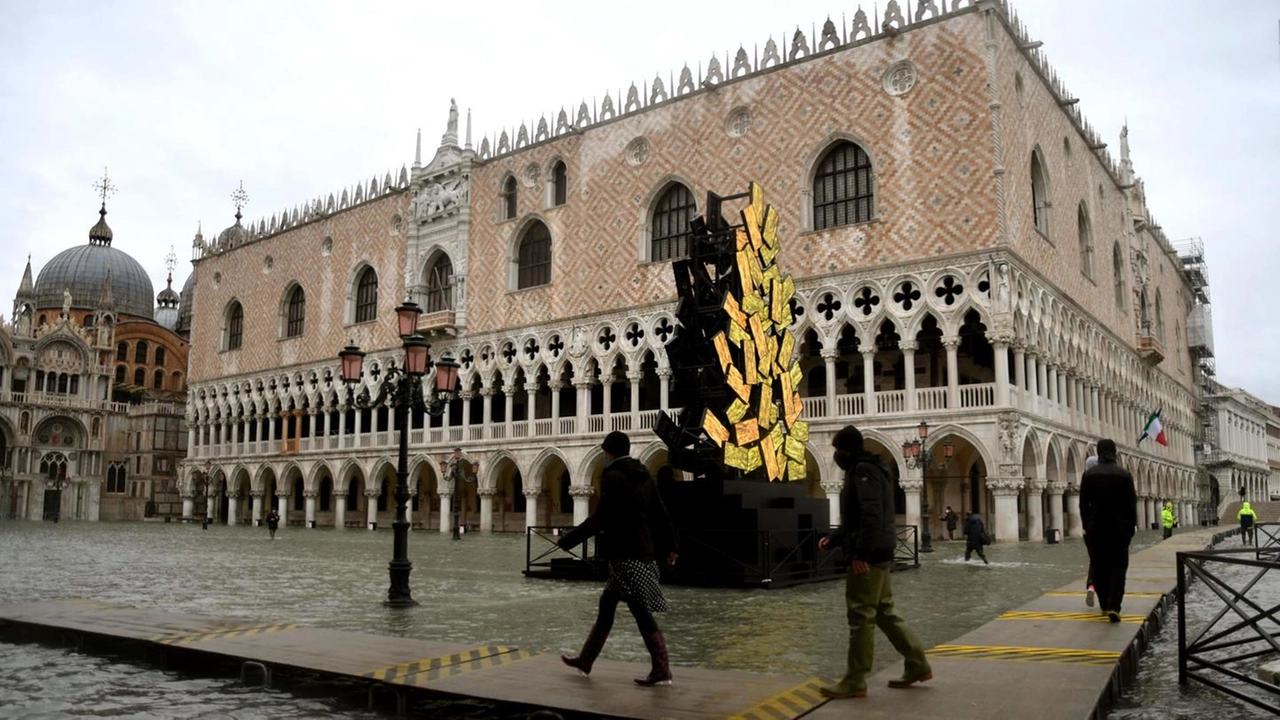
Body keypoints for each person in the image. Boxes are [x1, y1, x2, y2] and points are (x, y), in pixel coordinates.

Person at [817, 425, 931, 699]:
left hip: (870, 554)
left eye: (837, 450)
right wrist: (835, 540)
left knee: (860, 615)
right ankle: (917, 664)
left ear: (846, 450)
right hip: (880, 550)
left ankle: (856, 679)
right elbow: (859, 516)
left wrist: (860, 555)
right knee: (884, 612)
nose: (836, 456)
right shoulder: (874, 468)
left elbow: (870, 515)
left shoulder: (862, 471)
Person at [558, 431, 679, 686]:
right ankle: (586, 660)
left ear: (608, 452)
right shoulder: (645, 475)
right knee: (607, 605)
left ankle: (662, 668)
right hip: (642, 550)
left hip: (624, 553)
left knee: (640, 610)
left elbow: (601, 518)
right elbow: (662, 513)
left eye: (604, 451)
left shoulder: (613, 476)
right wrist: (672, 546)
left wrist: (570, 539)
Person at [1079, 438, 1137, 624]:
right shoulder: (1124, 474)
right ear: (1115, 453)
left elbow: (1082, 504)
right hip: (1119, 530)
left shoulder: (1089, 475)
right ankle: (1114, 606)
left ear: (1098, 452)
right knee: (1118, 568)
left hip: (1096, 528)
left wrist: (1087, 525)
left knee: (1100, 566)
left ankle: (1104, 603)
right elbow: (1131, 505)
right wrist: (1130, 529)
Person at [1083, 456, 1098, 608]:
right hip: (1109, 528)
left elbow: (1082, 506)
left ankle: (1092, 586)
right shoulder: (1106, 480)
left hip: (1091, 528)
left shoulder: (1085, 481)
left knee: (1094, 560)